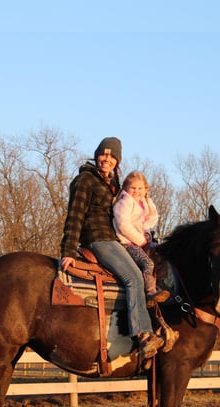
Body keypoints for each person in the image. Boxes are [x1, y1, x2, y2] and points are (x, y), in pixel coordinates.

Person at [60, 137, 165, 359]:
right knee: (133, 277)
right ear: (97, 155)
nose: (106, 159)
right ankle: (143, 335)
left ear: (117, 160)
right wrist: (68, 251)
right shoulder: (86, 181)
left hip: (115, 240)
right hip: (99, 239)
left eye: (111, 156)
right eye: (103, 154)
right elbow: (75, 216)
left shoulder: (112, 184)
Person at [112, 170, 170, 307]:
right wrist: (141, 240)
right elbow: (123, 225)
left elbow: (147, 223)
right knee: (147, 263)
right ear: (126, 188)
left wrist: (148, 236)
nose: (136, 191)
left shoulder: (143, 204)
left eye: (140, 188)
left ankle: (162, 287)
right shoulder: (125, 202)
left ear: (145, 190)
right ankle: (150, 292)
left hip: (141, 241)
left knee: (161, 259)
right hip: (128, 243)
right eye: (133, 188)